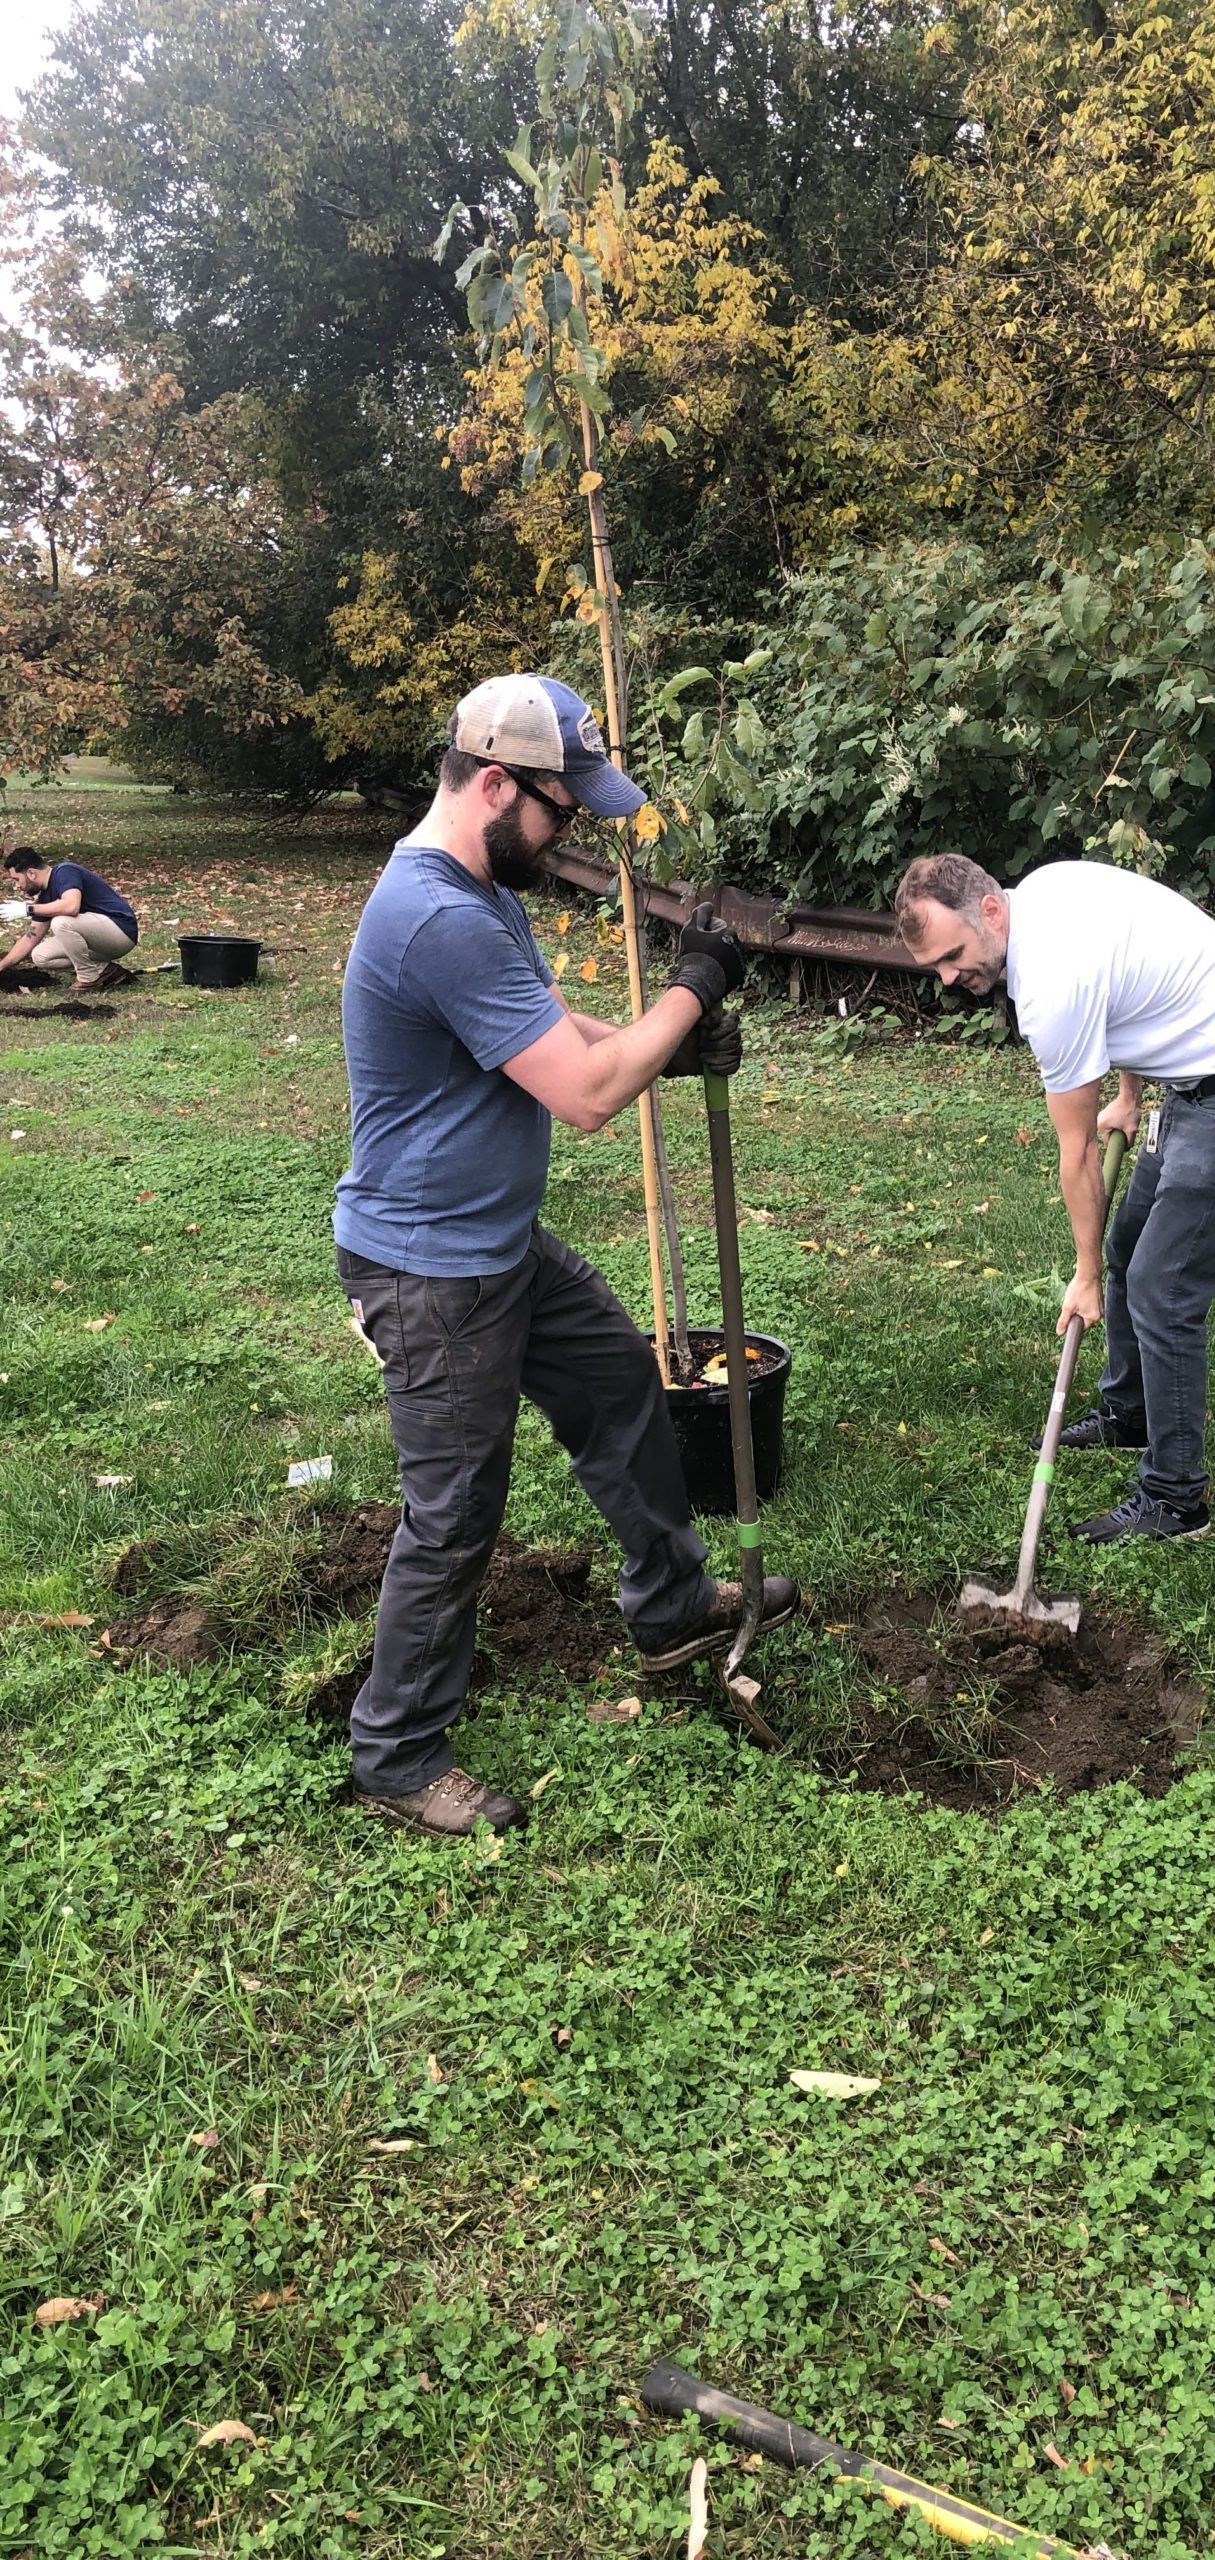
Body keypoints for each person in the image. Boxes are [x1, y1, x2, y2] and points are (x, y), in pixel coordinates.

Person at [335, 672, 797, 1841]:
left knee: (616, 1385)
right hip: (430, 1271)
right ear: (494, 783)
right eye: (562, 808)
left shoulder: (478, 885)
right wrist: (690, 989)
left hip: (496, 1246)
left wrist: (668, 1042)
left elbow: (554, 1030)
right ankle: (394, 1751)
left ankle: (672, 1603)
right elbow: (587, 1094)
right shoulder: (435, 913)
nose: (572, 833)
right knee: (455, 1512)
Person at [896, 852, 1215, 1544]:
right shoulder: (1040, 894)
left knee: (1162, 1286)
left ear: (988, 911)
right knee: (1133, 1243)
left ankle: (1175, 1498)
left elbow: (1075, 1157)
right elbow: (1133, 988)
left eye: (951, 957)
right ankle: (1131, 1413)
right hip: (1200, 1082)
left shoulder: (1049, 983)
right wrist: (1130, 1097)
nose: (950, 978)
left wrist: (1085, 1277)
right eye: (936, 969)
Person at [0, 846, 139, 988]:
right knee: (41, 956)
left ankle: (88, 979)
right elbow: (29, 939)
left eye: (17, 879)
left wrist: (28, 909)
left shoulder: (65, 871)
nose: (16, 886)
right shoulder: (45, 897)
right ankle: (104, 970)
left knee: (61, 922)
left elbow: (71, 906)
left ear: (31, 873)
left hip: (121, 932)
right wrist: (2, 965)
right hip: (99, 941)